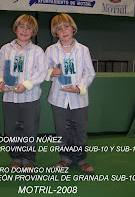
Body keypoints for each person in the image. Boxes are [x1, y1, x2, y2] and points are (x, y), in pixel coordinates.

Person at [0, 14, 47, 169]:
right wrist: (0, 81)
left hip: (30, 99)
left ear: (34, 32)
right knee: (11, 130)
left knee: (30, 129)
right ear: (15, 29)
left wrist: (27, 84)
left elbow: (42, 72)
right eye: (21, 26)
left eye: (29, 28)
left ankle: (28, 159)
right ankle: (16, 158)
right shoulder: (5, 49)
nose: (24, 30)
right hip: (9, 99)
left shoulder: (37, 51)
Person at [45, 13, 95, 174]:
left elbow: (89, 73)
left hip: (79, 99)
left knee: (79, 129)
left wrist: (80, 87)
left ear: (73, 29)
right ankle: (65, 158)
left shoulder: (83, 50)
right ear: (55, 33)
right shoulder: (51, 50)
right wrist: (51, 72)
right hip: (58, 99)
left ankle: (81, 159)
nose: (64, 31)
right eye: (59, 29)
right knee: (62, 130)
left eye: (66, 27)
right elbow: (43, 70)